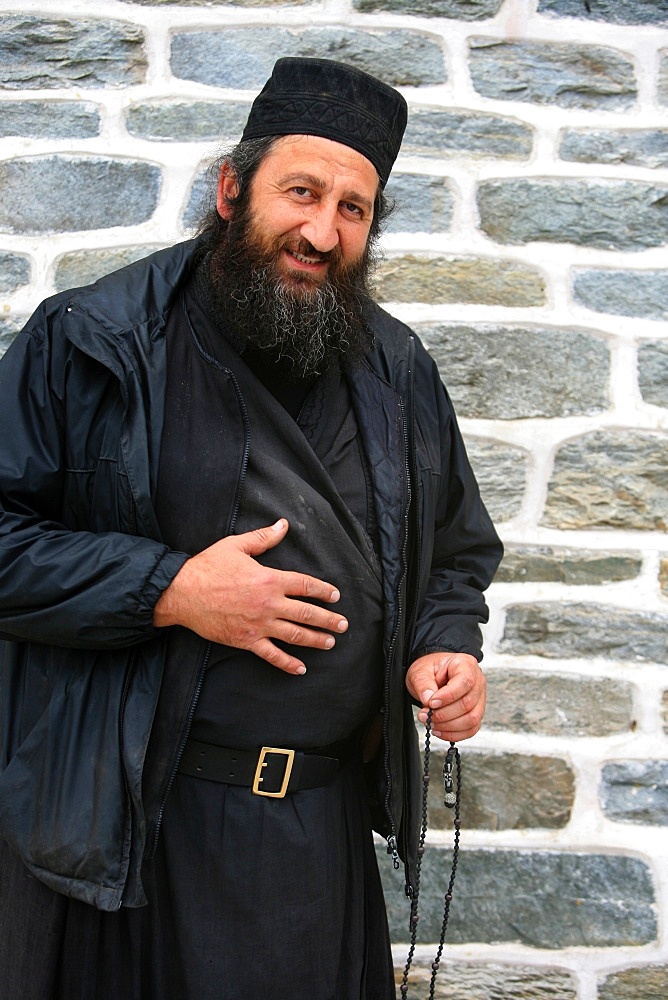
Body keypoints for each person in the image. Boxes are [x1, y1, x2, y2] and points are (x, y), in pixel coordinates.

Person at [0, 57, 502, 1000]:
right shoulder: (91, 343)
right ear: (233, 190)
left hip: (317, 841)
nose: (321, 232)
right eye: (301, 193)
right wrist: (171, 589)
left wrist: (449, 649)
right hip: (138, 837)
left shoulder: (397, 370)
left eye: (353, 209)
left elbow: (456, 550)